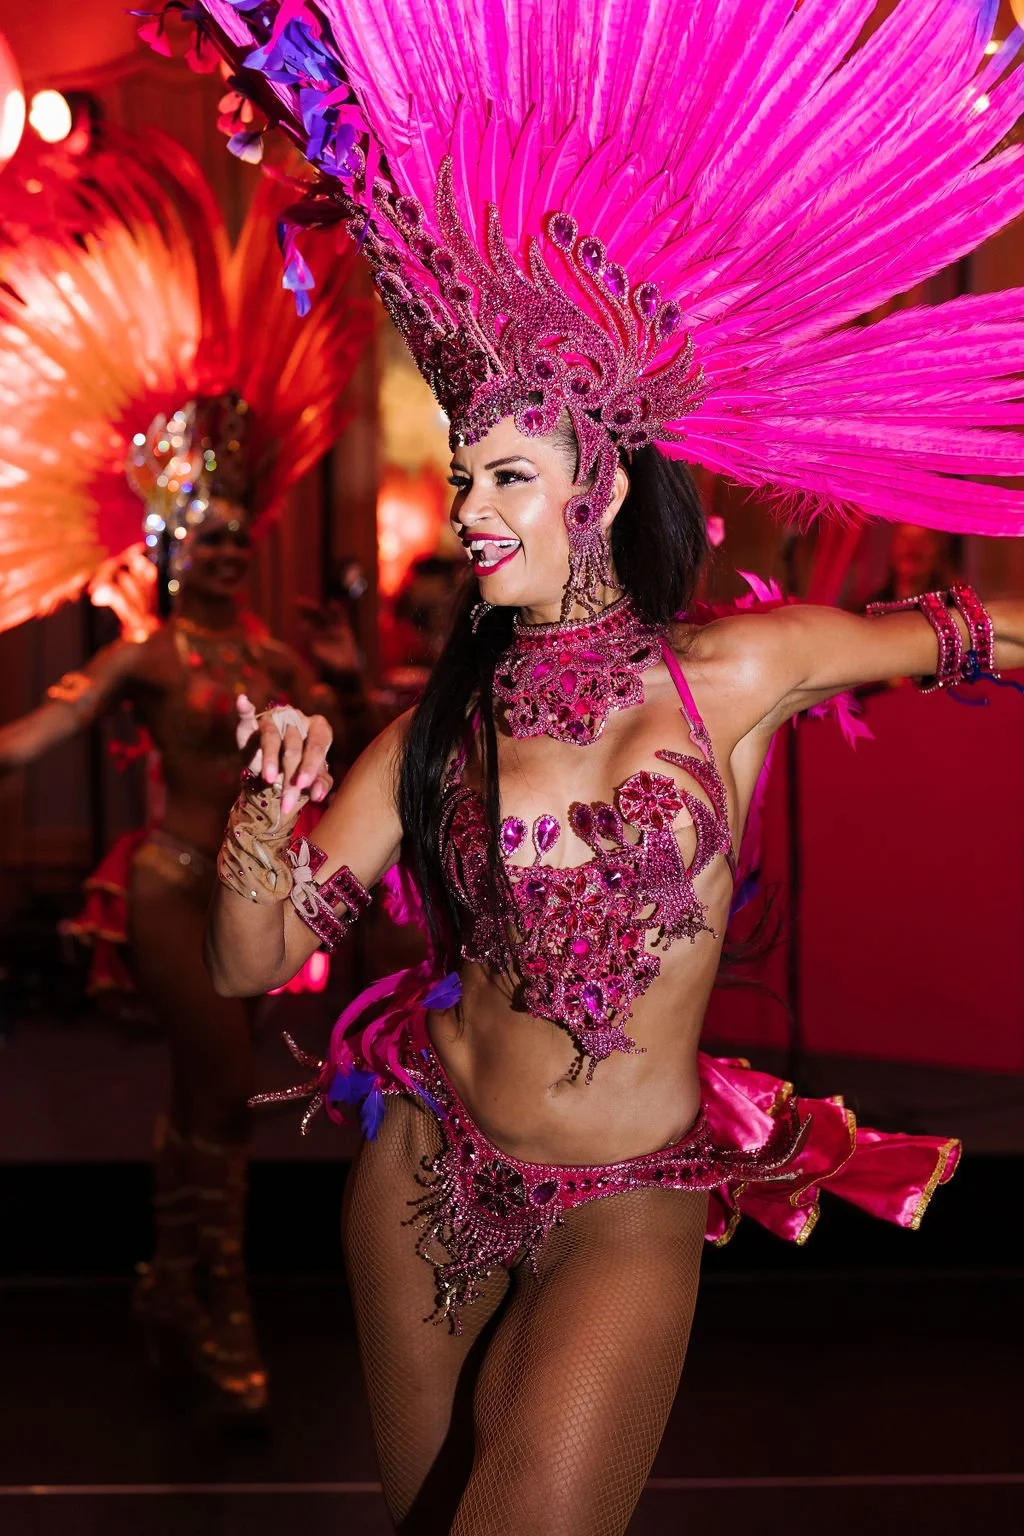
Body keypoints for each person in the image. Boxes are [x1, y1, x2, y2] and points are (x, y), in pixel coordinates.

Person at [184, 0, 1024, 1526]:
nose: (470, 510)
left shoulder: (734, 676)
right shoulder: (434, 730)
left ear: (604, 482)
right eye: (464, 476)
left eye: (506, 474)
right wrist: (265, 821)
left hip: (626, 1203)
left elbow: (971, 632)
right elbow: (249, 965)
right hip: (429, 1167)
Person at [0, 130, 372, 1416]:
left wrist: (348, 674)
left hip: (253, 894)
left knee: (202, 1090)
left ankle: (170, 1282)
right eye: (201, 538)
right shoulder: (150, 653)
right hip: (168, 888)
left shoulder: (273, 652)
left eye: (232, 537)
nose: (219, 552)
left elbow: (355, 749)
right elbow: (36, 735)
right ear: (174, 549)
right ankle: (220, 1296)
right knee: (222, 1086)